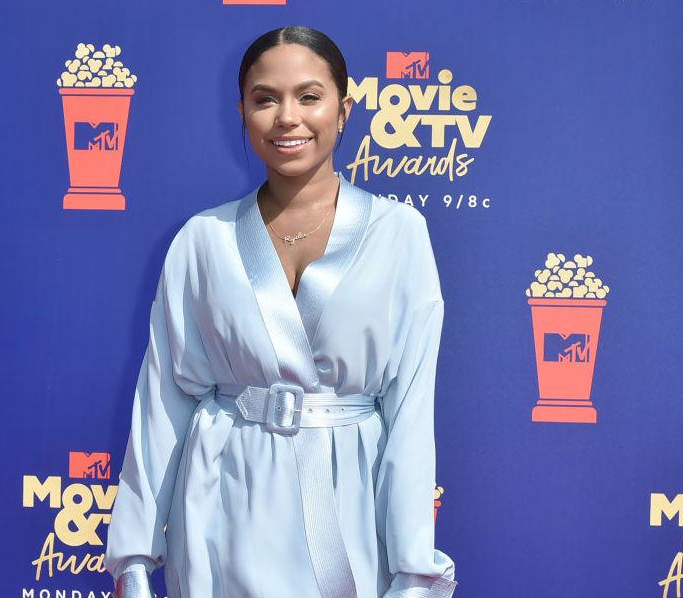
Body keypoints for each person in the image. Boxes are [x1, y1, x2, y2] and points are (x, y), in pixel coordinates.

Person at [104, 25, 457, 598]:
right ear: (242, 113)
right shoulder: (203, 239)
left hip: (346, 504)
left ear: (344, 110)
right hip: (222, 497)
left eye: (309, 96)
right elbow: (163, 399)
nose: (287, 117)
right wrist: (135, 557)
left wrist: (414, 567)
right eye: (265, 99)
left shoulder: (400, 233)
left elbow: (412, 408)